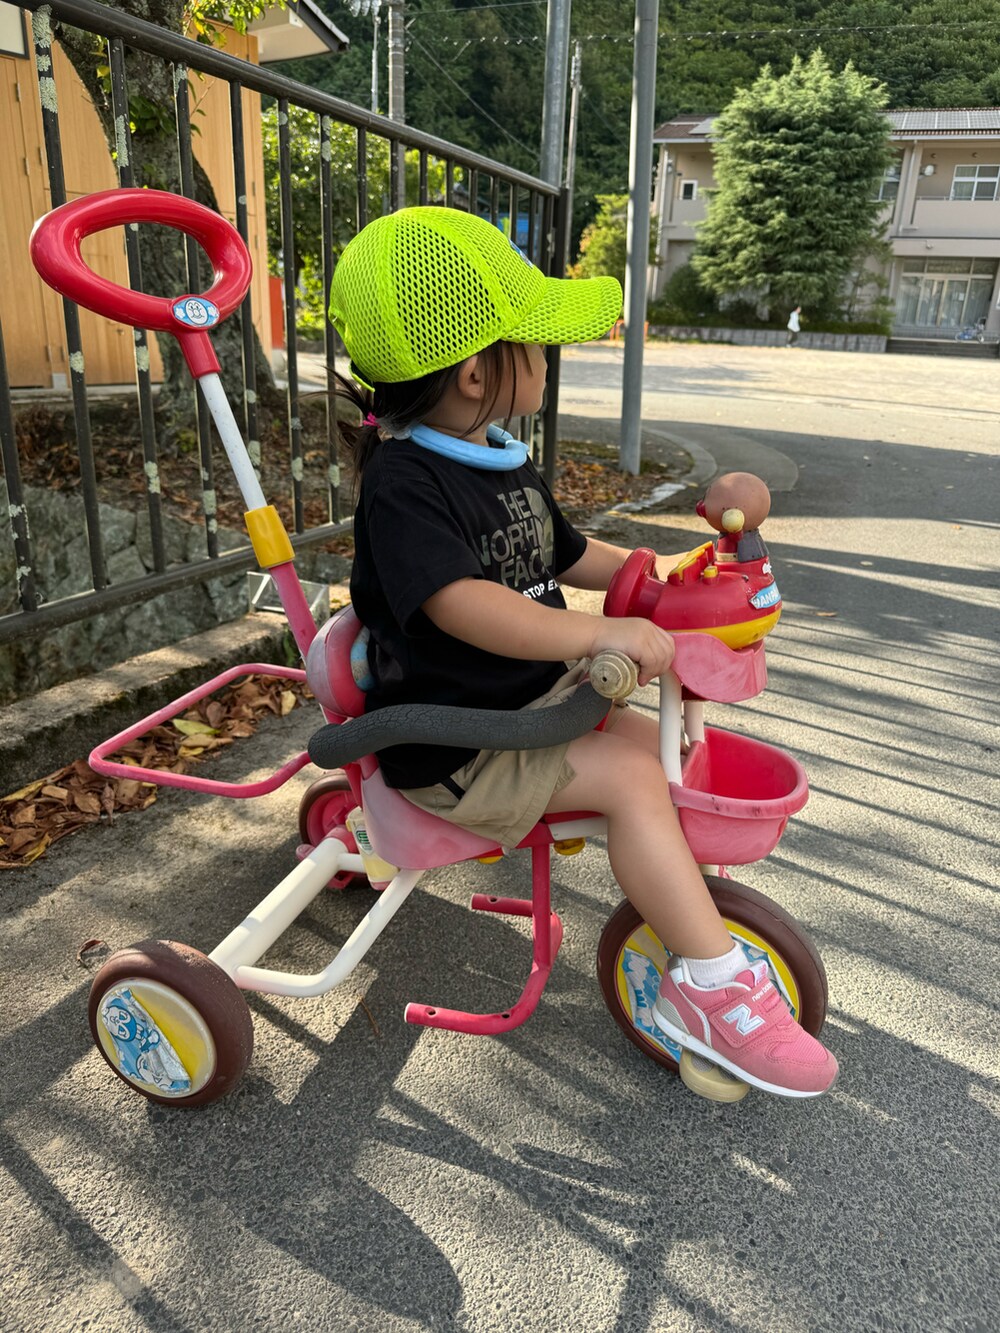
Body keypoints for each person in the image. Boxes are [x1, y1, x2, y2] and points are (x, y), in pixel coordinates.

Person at [328, 206, 837, 1099]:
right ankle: (710, 988)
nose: (550, 357)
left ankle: (687, 915)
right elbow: (462, 605)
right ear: (479, 364)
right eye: (537, 340)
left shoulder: (495, 455)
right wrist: (598, 631)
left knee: (660, 751)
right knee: (636, 780)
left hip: (527, 718)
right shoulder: (406, 483)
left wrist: (658, 577)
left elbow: (565, 555)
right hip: (459, 748)